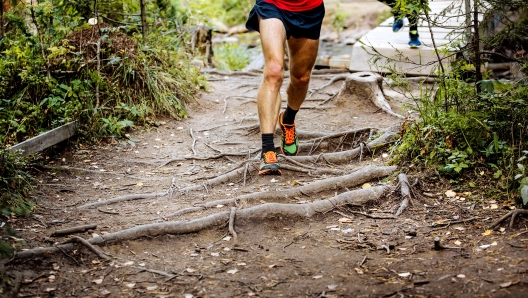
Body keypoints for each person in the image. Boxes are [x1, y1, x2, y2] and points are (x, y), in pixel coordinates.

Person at [245, 0, 325, 175]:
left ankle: (288, 119)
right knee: (273, 71)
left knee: (302, 78)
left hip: (309, 9)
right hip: (272, 4)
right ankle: (267, 150)